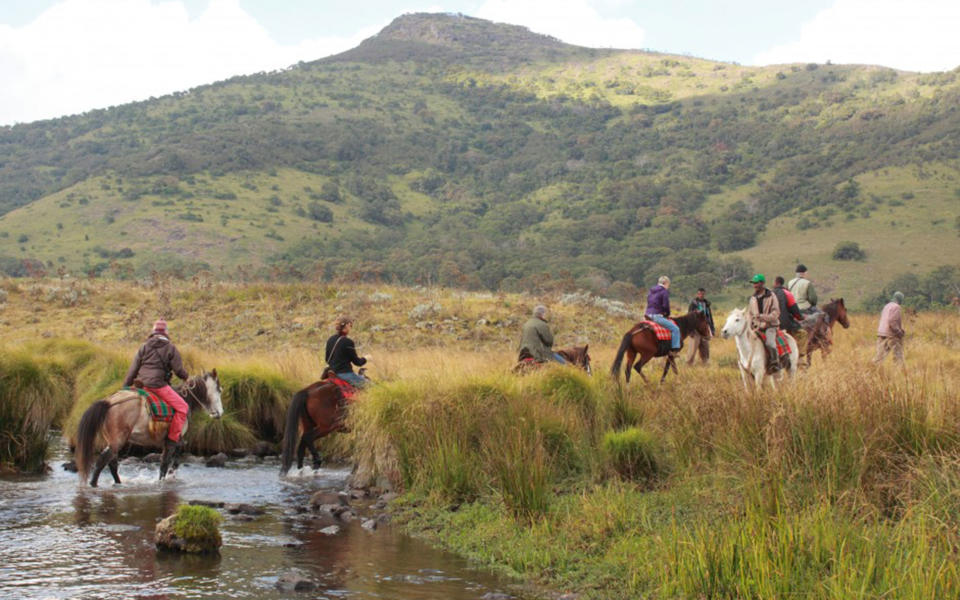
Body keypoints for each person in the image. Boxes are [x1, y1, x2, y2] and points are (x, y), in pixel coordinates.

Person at [123, 318, 190, 451]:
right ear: (166, 333)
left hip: (142, 385)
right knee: (183, 407)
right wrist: (186, 377)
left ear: (153, 332)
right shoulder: (170, 348)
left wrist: (125, 387)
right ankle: (173, 439)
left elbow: (133, 370)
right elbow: (178, 370)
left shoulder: (144, 347)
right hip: (158, 386)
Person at [747, 274, 781, 372]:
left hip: (770, 326)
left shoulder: (771, 296)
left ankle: (775, 363)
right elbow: (750, 314)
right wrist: (749, 326)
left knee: (770, 344)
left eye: (756, 283)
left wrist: (762, 317)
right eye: (753, 283)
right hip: (756, 327)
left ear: (762, 283)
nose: (754, 285)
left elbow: (776, 313)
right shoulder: (752, 298)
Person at [325, 316, 370, 388]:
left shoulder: (330, 339)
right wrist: (365, 358)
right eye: (350, 326)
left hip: (332, 373)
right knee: (370, 386)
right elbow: (357, 362)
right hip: (345, 374)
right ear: (347, 325)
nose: (351, 328)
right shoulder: (348, 342)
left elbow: (327, 359)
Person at [646, 276, 681, 357]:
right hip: (657, 316)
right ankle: (674, 350)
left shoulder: (651, 291)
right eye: (668, 284)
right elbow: (666, 305)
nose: (668, 286)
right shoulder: (664, 291)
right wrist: (667, 314)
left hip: (648, 315)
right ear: (665, 283)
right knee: (675, 329)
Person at [773, 275, 806, 355]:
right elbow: (795, 310)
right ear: (782, 283)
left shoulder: (769, 293)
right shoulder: (787, 294)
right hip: (784, 324)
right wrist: (800, 317)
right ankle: (800, 355)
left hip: (770, 324)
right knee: (802, 333)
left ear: (775, 283)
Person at [874, 291, 906, 365]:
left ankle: (872, 370)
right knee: (898, 357)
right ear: (900, 299)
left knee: (879, 357)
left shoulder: (887, 306)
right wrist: (899, 332)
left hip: (881, 334)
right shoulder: (897, 307)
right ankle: (900, 373)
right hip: (891, 335)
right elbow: (892, 321)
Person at [686, 288, 715, 364]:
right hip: (695, 329)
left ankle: (705, 364)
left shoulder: (707, 304)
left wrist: (712, 329)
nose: (701, 295)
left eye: (702, 294)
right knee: (692, 349)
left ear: (704, 294)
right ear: (697, 294)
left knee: (705, 348)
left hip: (705, 329)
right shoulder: (693, 304)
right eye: (699, 294)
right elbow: (689, 317)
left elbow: (710, 317)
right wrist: (690, 330)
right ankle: (689, 364)